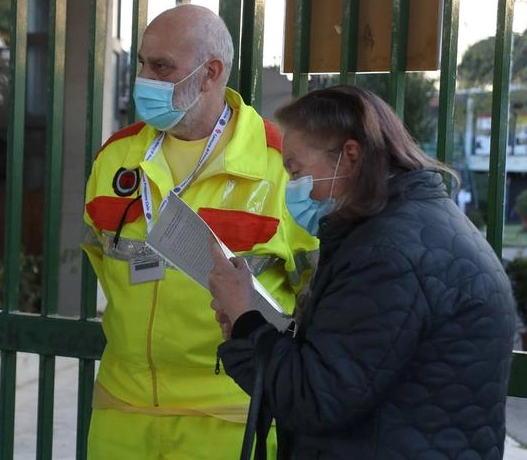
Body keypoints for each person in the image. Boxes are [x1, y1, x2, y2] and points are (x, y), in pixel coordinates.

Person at [208, 85, 516, 460]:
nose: (292, 187)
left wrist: (246, 319)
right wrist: (248, 333)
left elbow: (315, 398)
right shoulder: (412, 227)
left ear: (350, 157)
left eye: (296, 170)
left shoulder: (386, 256)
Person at [82, 3, 319, 460]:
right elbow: (102, 261)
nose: (144, 79)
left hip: (230, 415)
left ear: (211, 72)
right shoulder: (115, 158)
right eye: (143, 63)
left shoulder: (279, 165)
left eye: (162, 66)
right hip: (123, 409)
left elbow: (317, 295)